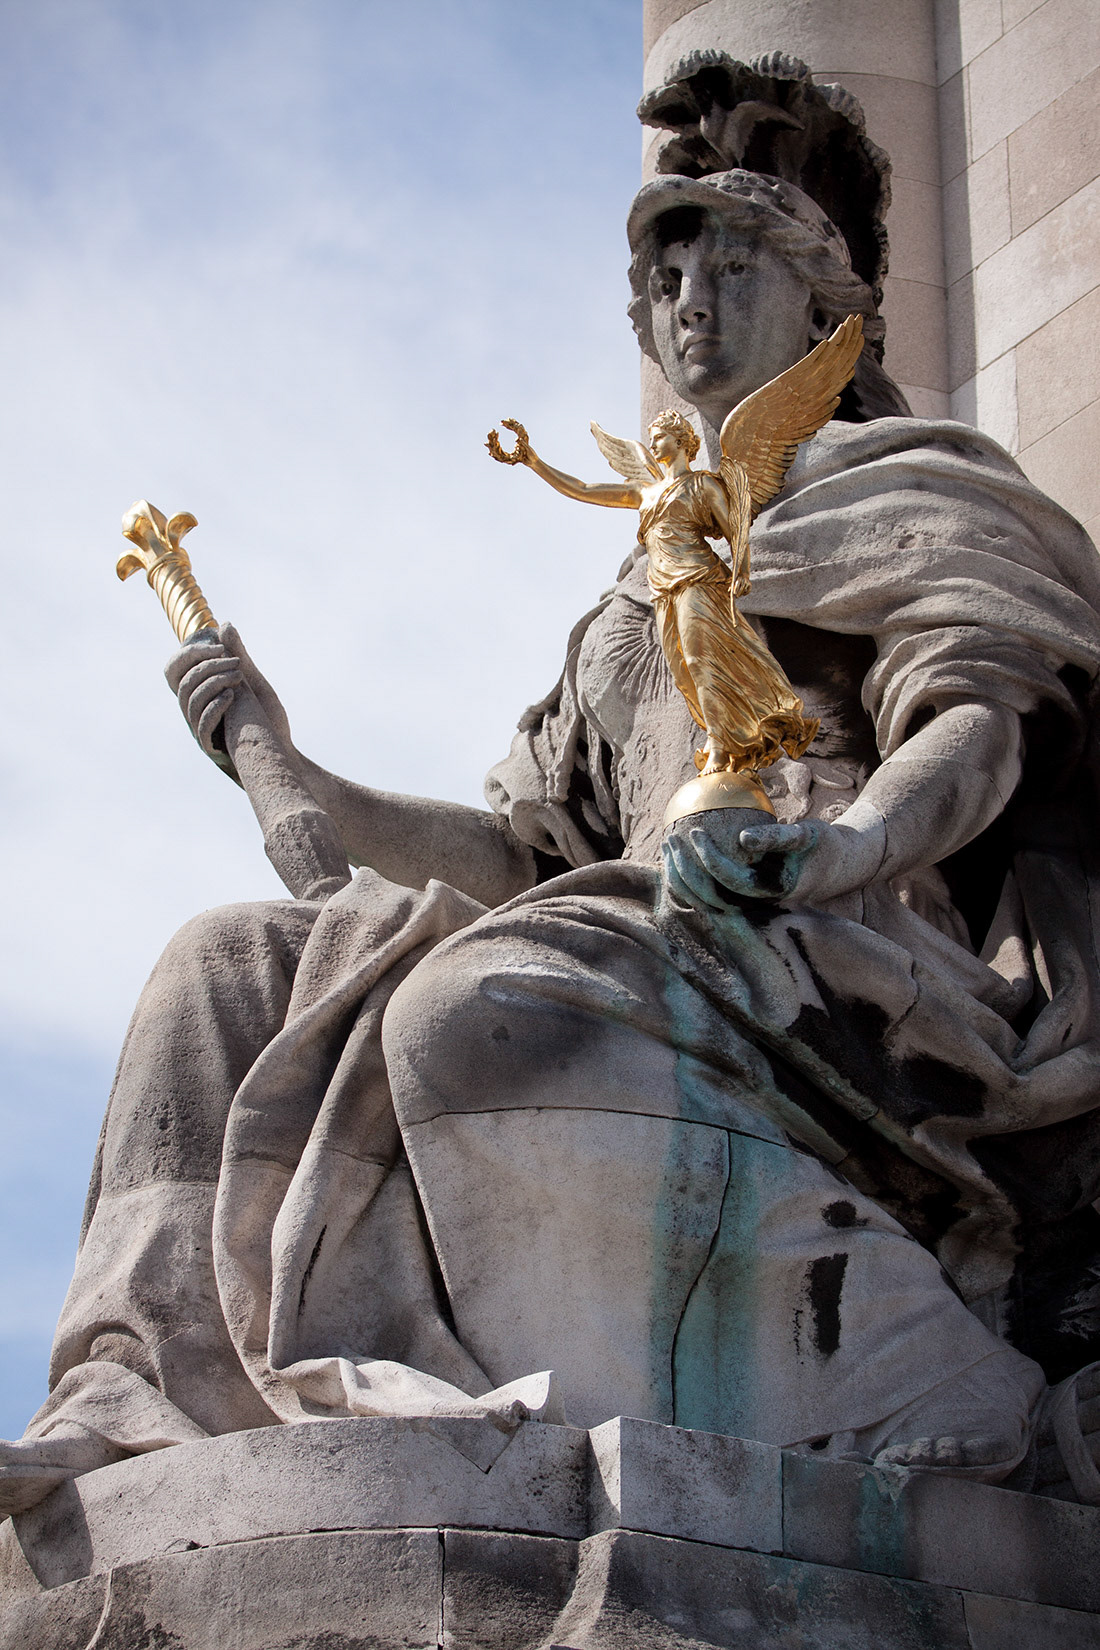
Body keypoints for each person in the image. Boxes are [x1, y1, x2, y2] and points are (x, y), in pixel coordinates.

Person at [5, 165, 1100, 1516]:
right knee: (217, 965)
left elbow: (977, 719)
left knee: (474, 1004)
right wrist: (297, 765)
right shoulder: (635, 584)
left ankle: (919, 1377)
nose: (691, 303)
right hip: (639, 914)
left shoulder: (906, 485)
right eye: (666, 282)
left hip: (839, 927)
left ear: (828, 312)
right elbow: (528, 852)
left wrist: (850, 846)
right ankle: (139, 1401)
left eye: (733, 268)